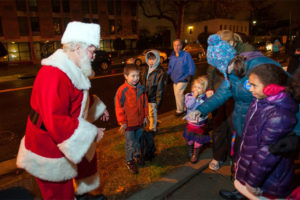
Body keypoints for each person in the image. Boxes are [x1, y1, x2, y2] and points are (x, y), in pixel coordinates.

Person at [16, 21, 109, 200]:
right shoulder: (53, 75)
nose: (93, 56)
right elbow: (55, 119)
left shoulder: (72, 67)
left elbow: (78, 98)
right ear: (77, 48)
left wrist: (96, 107)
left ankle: (83, 195)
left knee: (85, 162)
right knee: (58, 193)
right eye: (92, 50)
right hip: (47, 147)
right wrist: (91, 132)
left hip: (62, 138)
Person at [234, 63, 299, 199]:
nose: (250, 89)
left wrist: (252, 182)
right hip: (256, 173)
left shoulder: (279, 115)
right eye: (249, 84)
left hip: (269, 182)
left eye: (254, 85)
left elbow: (266, 154)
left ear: (271, 88)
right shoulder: (259, 102)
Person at [207, 30, 257, 171]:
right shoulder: (219, 50)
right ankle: (218, 156)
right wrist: (210, 87)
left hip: (237, 93)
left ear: (230, 43)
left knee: (236, 127)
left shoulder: (246, 50)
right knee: (218, 125)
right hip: (220, 90)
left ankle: (236, 159)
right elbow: (211, 68)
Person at [115, 64, 148, 174]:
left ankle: (137, 155)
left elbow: (145, 104)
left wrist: (145, 116)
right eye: (133, 76)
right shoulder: (122, 90)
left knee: (138, 141)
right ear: (126, 76)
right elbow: (118, 107)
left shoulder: (140, 88)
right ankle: (129, 160)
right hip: (129, 124)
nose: (136, 78)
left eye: (137, 76)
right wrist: (122, 122)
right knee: (130, 144)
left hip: (139, 123)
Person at [183, 76, 211, 163]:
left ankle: (195, 153)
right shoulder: (189, 96)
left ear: (204, 89)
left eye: (199, 88)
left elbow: (209, 108)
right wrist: (194, 97)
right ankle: (190, 149)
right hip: (191, 124)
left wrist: (210, 98)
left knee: (199, 140)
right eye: (195, 86)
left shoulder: (205, 98)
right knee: (189, 139)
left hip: (201, 124)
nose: (196, 89)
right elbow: (189, 106)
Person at [167, 39, 196, 117]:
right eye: (175, 45)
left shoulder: (186, 55)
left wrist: (189, 75)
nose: (176, 47)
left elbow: (191, 66)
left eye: (178, 45)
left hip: (183, 78)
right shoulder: (172, 55)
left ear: (181, 46)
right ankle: (183, 108)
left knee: (178, 93)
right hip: (175, 79)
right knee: (178, 94)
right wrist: (168, 75)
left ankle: (180, 110)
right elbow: (170, 67)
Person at [141, 50, 167, 134]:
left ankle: (153, 128)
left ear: (158, 59)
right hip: (146, 96)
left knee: (152, 113)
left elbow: (160, 88)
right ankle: (153, 123)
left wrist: (158, 101)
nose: (151, 61)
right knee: (148, 113)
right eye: (149, 59)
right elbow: (143, 82)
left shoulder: (160, 72)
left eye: (153, 59)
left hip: (154, 97)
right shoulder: (146, 69)